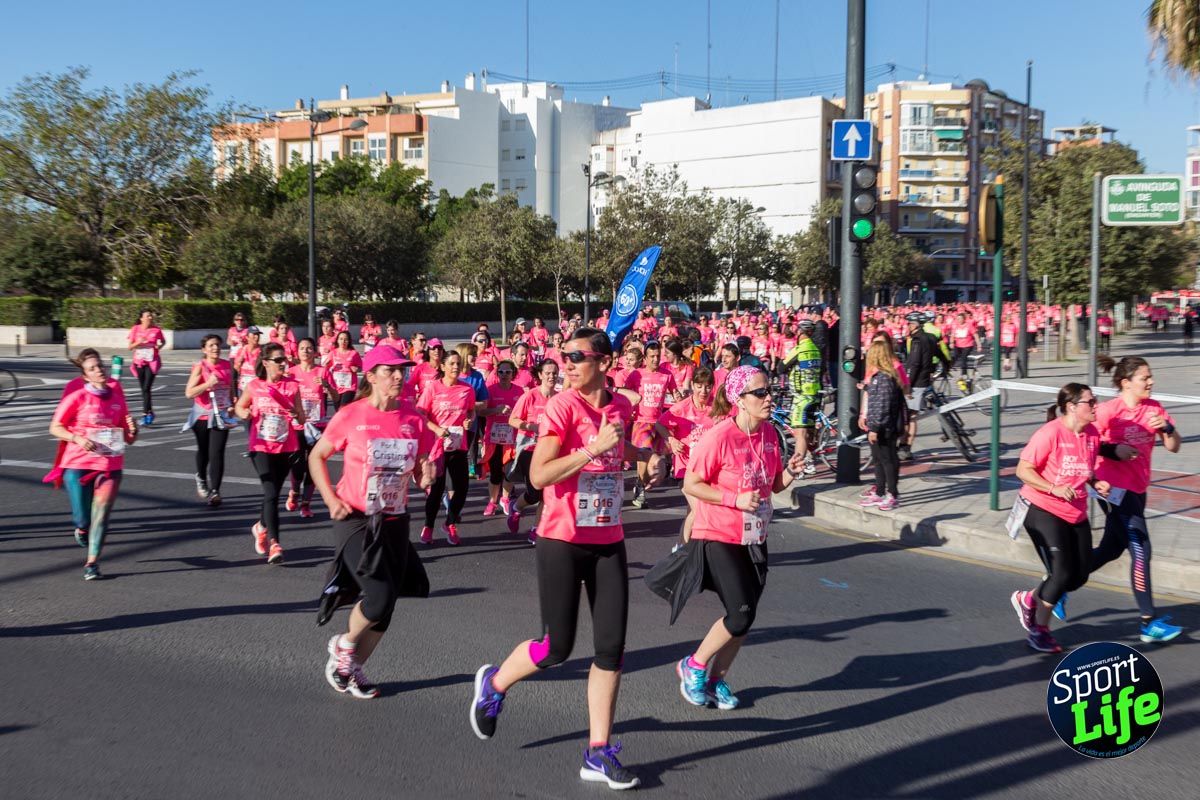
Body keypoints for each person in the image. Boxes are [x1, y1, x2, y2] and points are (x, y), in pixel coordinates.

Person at [469, 328, 665, 790]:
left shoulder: (618, 407)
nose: (567, 364)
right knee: (556, 648)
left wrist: (646, 460)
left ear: (604, 362)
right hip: (561, 537)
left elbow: (623, 449)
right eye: (564, 356)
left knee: (611, 650)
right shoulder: (560, 406)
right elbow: (538, 474)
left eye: (577, 356)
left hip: (608, 537)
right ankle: (494, 685)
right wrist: (591, 449)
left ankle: (598, 752)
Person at [677, 366, 807, 710]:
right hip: (719, 533)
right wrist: (733, 499)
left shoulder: (768, 435)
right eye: (760, 393)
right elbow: (691, 484)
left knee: (745, 618)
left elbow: (773, 486)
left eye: (769, 391)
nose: (768, 398)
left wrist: (792, 469)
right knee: (740, 614)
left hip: (754, 536)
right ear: (739, 400)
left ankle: (717, 679)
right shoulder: (718, 437)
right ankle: (693, 665)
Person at [310, 345, 436, 699]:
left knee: (388, 603)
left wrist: (426, 476)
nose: (399, 376)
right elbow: (317, 455)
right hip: (354, 517)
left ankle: (351, 669)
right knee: (378, 597)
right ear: (371, 376)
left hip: (394, 518)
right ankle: (343, 644)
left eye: (403, 370)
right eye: (390, 370)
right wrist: (330, 499)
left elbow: (421, 469)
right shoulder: (352, 415)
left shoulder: (413, 417)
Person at [1088, 355, 1183, 643]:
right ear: (1126, 383)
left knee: (1110, 550)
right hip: (1112, 489)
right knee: (1141, 548)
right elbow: (1087, 444)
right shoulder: (1107, 411)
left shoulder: (1154, 408)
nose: (1151, 382)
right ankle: (1148, 622)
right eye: (1145, 378)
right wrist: (1112, 450)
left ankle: (1059, 583)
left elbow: (1175, 447)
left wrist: (1166, 427)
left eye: (1150, 376)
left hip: (1138, 488)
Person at [1011, 383, 1107, 654]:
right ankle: (1039, 631)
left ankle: (1028, 598)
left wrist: (1097, 482)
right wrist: (1053, 488)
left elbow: (1085, 470)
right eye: (1090, 401)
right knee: (1061, 573)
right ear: (1072, 407)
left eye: (1095, 400)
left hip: (1075, 511)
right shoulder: (1050, 433)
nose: (1096, 405)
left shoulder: (1092, 434)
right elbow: (1023, 470)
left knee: (1080, 576)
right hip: (1042, 508)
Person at [48, 352, 139, 580]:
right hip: (78, 462)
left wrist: (133, 430)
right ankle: (81, 527)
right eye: (92, 368)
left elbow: (127, 437)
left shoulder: (117, 397)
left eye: (100, 366)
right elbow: (55, 427)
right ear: (85, 376)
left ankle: (92, 563)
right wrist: (78, 438)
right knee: (84, 517)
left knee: (101, 514)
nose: (99, 370)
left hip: (110, 462)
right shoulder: (77, 397)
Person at [234, 342, 305, 565]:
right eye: (278, 360)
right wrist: (244, 412)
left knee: (272, 495)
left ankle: (261, 527)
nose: (283, 363)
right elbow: (239, 407)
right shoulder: (255, 386)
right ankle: (275, 542)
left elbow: (302, 418)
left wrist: (295, 413)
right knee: (271, 493)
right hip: (261, 446)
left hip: (285, 446)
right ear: (266, 363)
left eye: (284, 359)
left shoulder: (292, 387)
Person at [417, 350, 476, 545]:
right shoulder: (433, 388)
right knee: (437, 488)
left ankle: (450, 523)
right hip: (437, 446)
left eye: (458, 363)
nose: (456, 367)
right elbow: (420, 413)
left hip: (458, 444)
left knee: (462, 488)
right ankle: (428, 526)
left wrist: (469, 420)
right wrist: (436, 428)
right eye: (451, 363)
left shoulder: (467, 389)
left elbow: (471, 412)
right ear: (442, 366)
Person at [656, 367, 717, 544]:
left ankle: (683, 550)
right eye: (699, 386)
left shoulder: (717, 406)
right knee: (700, 511)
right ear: (693, 386)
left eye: (707, 386)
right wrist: (672, 440)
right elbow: (660, 424)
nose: (703, 391)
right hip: (686, 468)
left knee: (692, 512)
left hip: (709, 468)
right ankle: (684, 551)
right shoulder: (682, 407)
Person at [506, 358, 560, 543]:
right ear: (540, 375)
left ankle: (536, 529)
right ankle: (516, 508)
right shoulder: (529, 396)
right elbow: (512, 420)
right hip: (530, 448)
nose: (551, 376)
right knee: (534, 493)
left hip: (551, 451)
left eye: (554, 373)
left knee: (546, 493)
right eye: (548, 373)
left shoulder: (559, 398)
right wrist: (532, 426)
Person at [623, 341, 678, 509]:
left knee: (652, 461)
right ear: (645, 358)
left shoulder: (667, 375)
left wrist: (682, 399)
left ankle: (641, 483)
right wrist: (628, 411)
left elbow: (676, 395)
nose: (655, 359)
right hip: (641, 422)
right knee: (643, 456)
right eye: (652, 356)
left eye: (657, 356)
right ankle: (640, 489)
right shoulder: (636, 375)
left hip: (659, 423)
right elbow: (626, 395)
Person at [183, 335, 235, 506]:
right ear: (204, 349)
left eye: (218, 345)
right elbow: (189, 393)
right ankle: (201, 476)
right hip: (202, 415)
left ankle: (215, 491)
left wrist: (232, 403)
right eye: (211, 345)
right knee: (204, 452)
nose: (215, 348)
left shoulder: (227, 365)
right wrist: (208, 384)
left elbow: (231, 388)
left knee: (217, 453)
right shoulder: (200, 366)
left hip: (221, 414)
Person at [288, 338, 335, 518]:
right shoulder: (291, 373)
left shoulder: (322, 372)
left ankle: (306, 504)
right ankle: (294, 491)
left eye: (309, 349)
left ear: (315, 352)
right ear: (297, 352)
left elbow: (336, 396)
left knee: (313, 465)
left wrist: (326, 386)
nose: (305, 351)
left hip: (317, 425)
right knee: (297, 464)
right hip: (297, 424)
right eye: (302, 348)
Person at [859, 342, 906, 511]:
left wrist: (874, 428)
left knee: (887, 460)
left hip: (884, 429)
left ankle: (892, 494)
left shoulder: (885, 378)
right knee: (878, 460)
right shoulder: (880, 377)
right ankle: (879, 491)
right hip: (880, 426)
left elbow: (882, 406)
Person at [900, 312, 947, 462]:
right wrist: (945, 368)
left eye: (908, 324)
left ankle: (905, 448)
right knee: (911, 415)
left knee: (909, 417)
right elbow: (942, 355)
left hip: (916, 382)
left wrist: (907, 384)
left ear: (914, 325)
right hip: (926, 379)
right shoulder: (931, 338)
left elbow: (914, 364)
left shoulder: (917, 341)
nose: (906, 327)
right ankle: (905, 447)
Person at [480, 359, 523, 516]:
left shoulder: (520, 392)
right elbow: (481, 412)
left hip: (513, 438)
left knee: (510, 471)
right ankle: (492, 501)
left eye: (508, 372)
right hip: (494, 438)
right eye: (501, 372)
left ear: (513, 374)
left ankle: (505, 499)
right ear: (496, 374)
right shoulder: (490, 390)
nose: (504, 375)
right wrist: (496, 410)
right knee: (496, 472)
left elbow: (525, 414)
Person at [783, 320, 821, 476]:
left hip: (801, 398)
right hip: (814, 395)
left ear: (799, 332)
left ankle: (799, 469)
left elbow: (781, 367)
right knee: (808, 433)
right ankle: (810, 462)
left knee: (800, 434)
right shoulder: (816, 350)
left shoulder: (799, 349)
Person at [128, 308, 165, 426]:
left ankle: (146, 414)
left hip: (152, 362)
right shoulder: (135, 329)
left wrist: (158, 347)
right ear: (141, 318)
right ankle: (150, 412)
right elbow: (130, 347)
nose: (150, 317)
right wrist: (138, 342)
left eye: (151, 316)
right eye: (148, 316)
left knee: (146, 388)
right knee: (144, 389)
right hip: (139, 361)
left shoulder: (156, 330)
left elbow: (163, 341)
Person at [328, 331, 364, 410]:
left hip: (349, 387)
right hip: (336, 386)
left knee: (343, 409)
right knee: (338, 411)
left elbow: (360, 367)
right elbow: (326, 369)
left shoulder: (354, 353)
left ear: (349, 341)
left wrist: (357, 369)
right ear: (337, 340)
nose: (343, 341)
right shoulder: (333, 353)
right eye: (341, 339)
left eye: (345, 339)